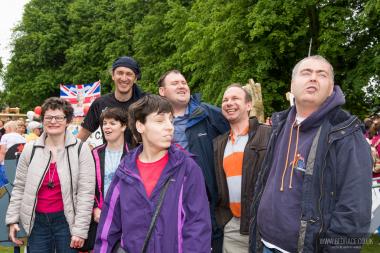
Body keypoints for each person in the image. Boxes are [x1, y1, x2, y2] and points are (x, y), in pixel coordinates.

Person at [250, 55, 372, 252]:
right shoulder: (279, 126)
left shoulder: (345, 133)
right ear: (292, 85)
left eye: (321, 74)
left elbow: (354, 212)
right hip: (263, 244)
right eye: (306, 73)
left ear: (331, 87)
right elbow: (264, 182)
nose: (313, 78)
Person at [94, 95, 211, 252]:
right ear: (140, 126)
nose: (170, 127)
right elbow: (108, 226)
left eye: (171, 120)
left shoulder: (187, 168)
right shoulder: (125, 170)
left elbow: (198, 227)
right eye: (160, 120)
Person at [6, 97, 95, 252]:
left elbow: (86, 193)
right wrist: (13, 220)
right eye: (48, 117)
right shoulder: (30, 149)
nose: (53, 121)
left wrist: (80, 231)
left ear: (67, 121)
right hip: (37, 223)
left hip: (67, 222)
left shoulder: (81, 150)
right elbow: (19, 187)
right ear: (43, 120)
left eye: (59, 117)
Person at [158, 69, 229, 252]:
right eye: (175, 83)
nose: (182, 86)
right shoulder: (155, 121)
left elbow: (238, 132)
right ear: (162, 92)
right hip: (169, 200)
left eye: (184, 82)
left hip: (207, 202)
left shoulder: (208, 113)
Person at [213, 84, 271, 252]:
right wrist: (225, 220)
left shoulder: (269, 134)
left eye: (235, 98)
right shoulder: (218, 144)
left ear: (248, 105)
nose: (229, 103)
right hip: (234, 228)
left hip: (264, 229)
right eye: (225, 100)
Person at [85, 108, 131, 251]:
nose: (107, 127)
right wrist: (94, 208)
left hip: (126, 218)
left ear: (123, 126)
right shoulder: (94, 154)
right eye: (105, 123)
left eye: (112, 123)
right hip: (100, 217)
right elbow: (86, 185)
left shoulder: (134, 154)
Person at [77, 56, 145, 145]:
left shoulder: (145, 102)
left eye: (129, 74)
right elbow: (82, 137)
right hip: (109, 157)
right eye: (120, 73)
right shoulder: (100, 103)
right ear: (113, 75)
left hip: (138, 157)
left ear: (135, 78)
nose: (124, 78)